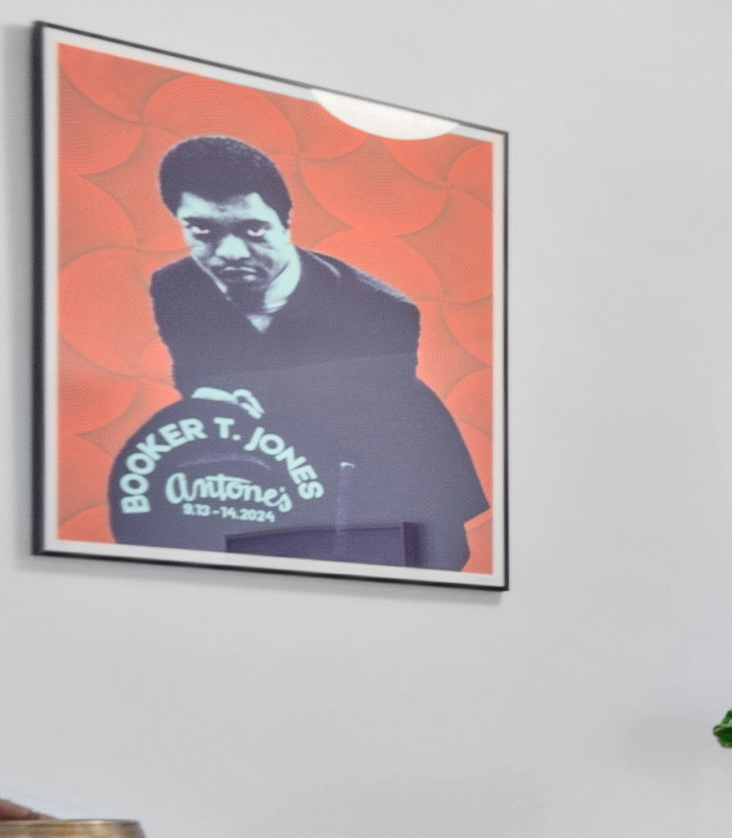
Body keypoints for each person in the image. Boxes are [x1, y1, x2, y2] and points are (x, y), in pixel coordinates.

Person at [103, 134, 488, 568]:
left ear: (284, 223)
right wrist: (211, 400)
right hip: (274, 476)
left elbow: (368, 423)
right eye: (202, 232)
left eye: (253, 231)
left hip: (386, 463)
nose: (229, 253)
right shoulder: (176, 286)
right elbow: (194, 375)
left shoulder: (382, 310)